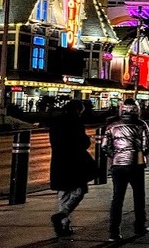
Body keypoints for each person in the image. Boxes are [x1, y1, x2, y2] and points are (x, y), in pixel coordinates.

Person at [102, 98, 149, 241]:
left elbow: (105, 146)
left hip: (118, 164)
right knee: (139, 196)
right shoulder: (141, 125)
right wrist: (139, 154)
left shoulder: (112, 125)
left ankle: (114, 231)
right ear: (137, 110)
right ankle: (140, 226)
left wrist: (116, 155)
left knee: (117, 198)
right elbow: (148, 145)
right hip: (136, 164)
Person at [48, 99, 96, 237]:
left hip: (59, 161)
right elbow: (81, 141)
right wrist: (87, 140)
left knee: (63, 193)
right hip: (74, 161)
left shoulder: (56, 122)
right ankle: (63, 214)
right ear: (77, 110)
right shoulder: (75, 122)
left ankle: (63, 224)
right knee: (79, 190)